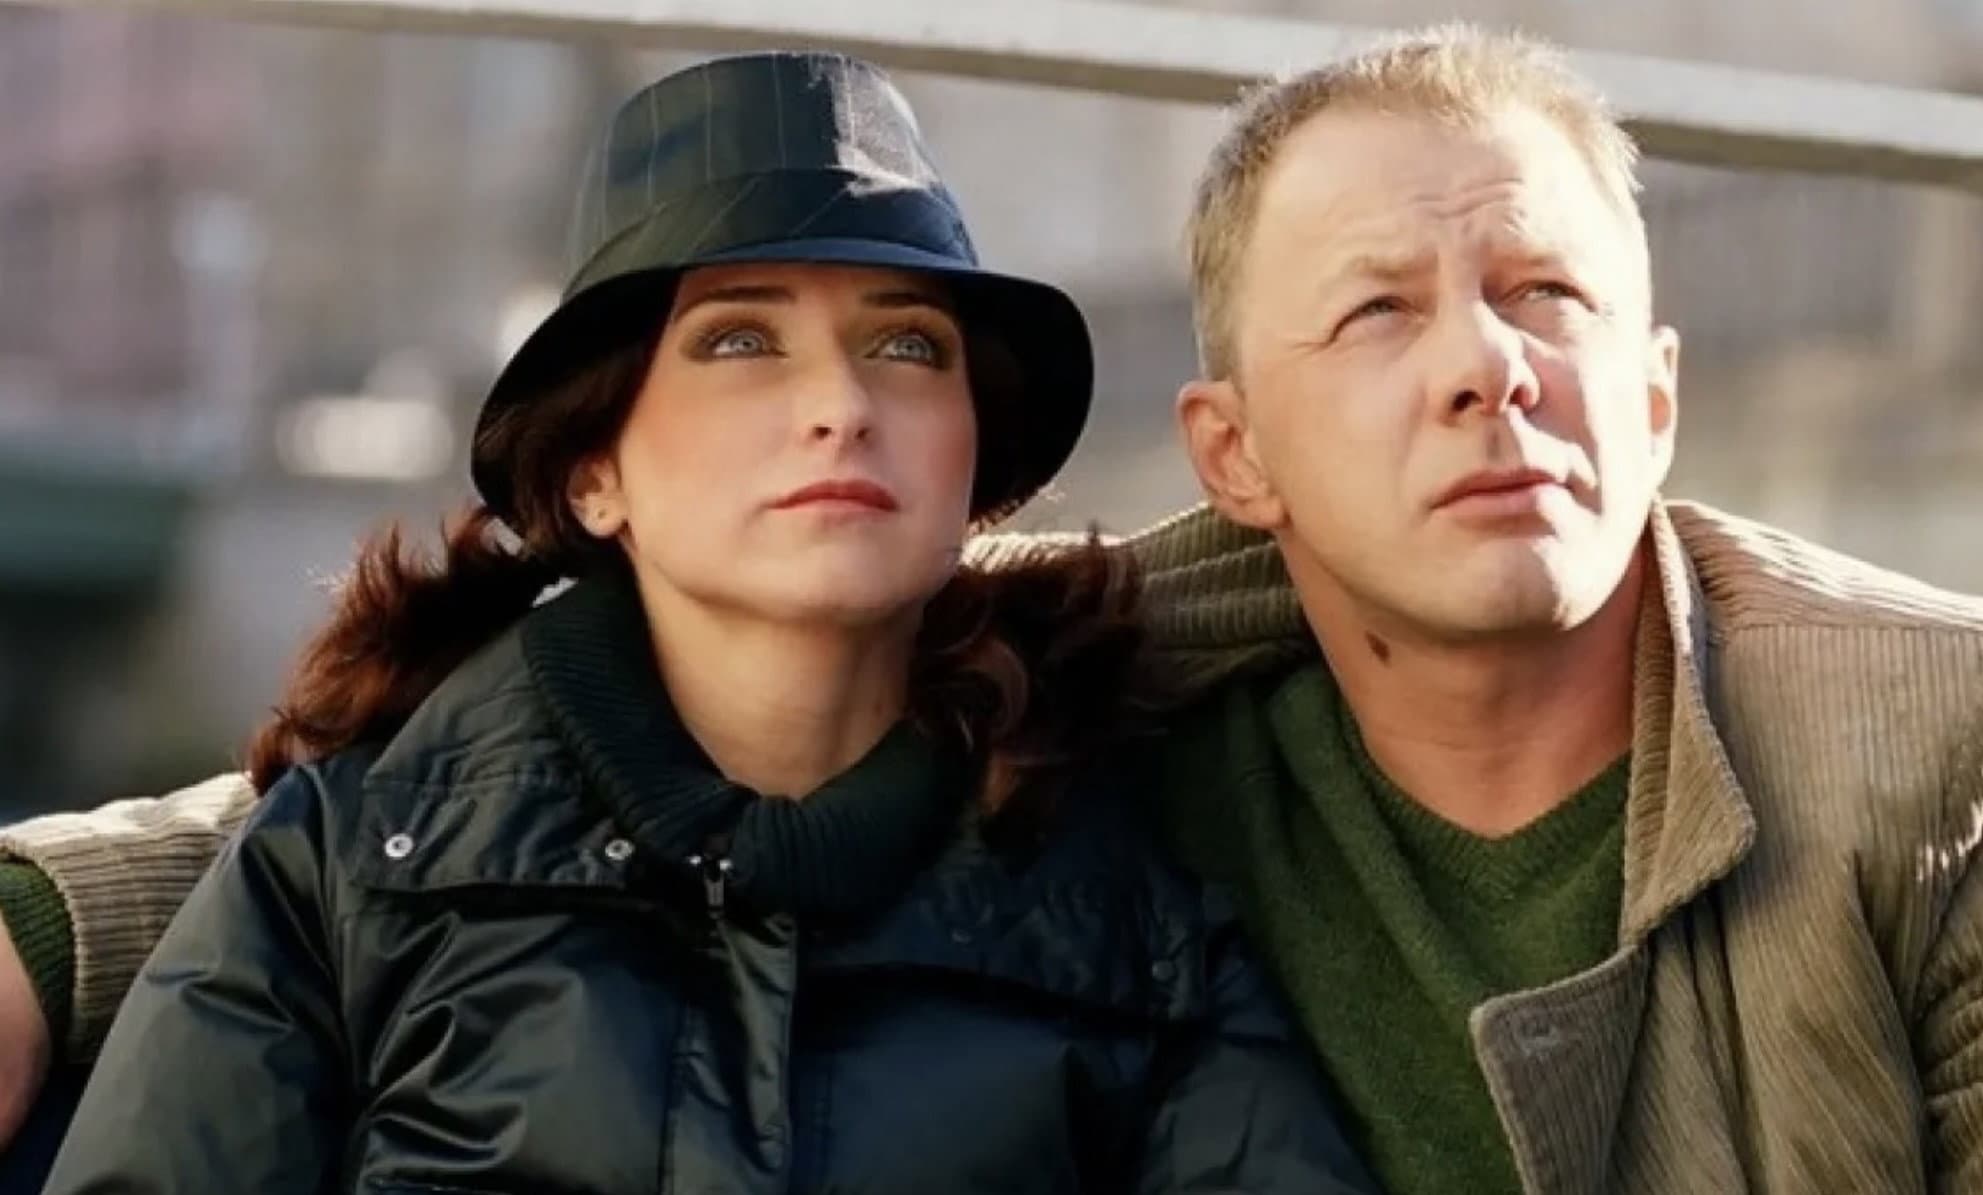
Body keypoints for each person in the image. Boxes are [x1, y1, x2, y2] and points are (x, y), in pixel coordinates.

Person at [6, 21, 1983, 1194]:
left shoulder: (1955, 739)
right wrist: (37, 922)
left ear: (1657, 395)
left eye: (1546, 294)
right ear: (1234, 456)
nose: (1487, 371)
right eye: (1376, 312)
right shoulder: (383, 846)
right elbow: (483, 784)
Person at [17, 51, 1378, 1195]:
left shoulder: (1134, 924)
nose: (840, 404)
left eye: (908, 345)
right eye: (739, 341)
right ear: (593, 473)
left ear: (974, 470)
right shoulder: (341, 871)